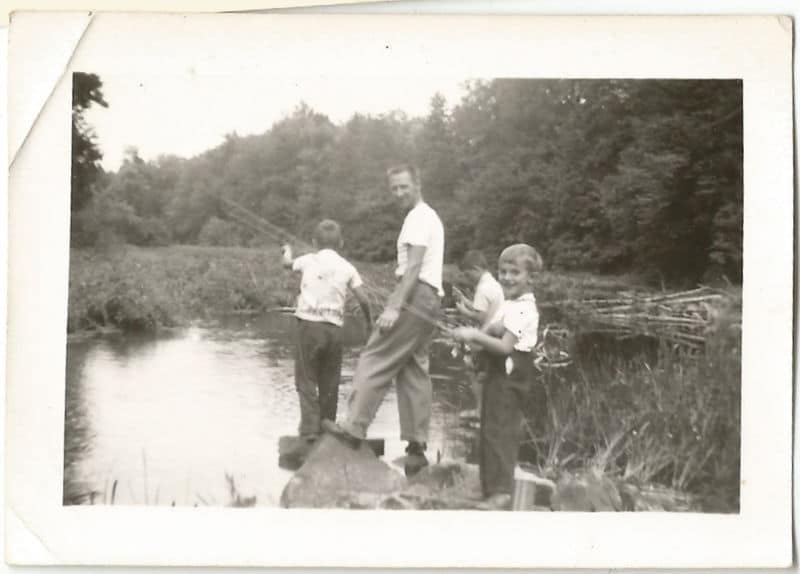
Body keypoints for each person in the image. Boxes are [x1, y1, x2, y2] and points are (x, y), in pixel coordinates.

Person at [323, 164, 444, 477]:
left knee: (374, 357)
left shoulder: (418, 217)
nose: (399, 193)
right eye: (394, 189)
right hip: (431, 299)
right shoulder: (430, 216)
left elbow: (414, 266)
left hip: (415, 294)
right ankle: (416, 450)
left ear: (418, 182)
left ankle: (353, 429)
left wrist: (393, 306)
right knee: (414, 368)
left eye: (404, 186)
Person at [452, 243, 543, 510]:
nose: (507, 277)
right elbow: (493, 330)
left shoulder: (524, 308)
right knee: (490, 428)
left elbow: (505, 347)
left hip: (511, 376)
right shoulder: (510, 304)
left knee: (501, 431)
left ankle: (501, 492)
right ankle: (490, 488)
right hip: (498, 374)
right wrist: (471, 340)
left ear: (531, 278)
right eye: (503, 271)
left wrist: (474, 335)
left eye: (515, 272)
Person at [282, 219, 372, 444]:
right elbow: (363, 298)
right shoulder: (347, 267)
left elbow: (286, 264)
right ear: (341, 243)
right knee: (330, 380)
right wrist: (369, 323)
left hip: (308, 327)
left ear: (314, 242)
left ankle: (310, 429)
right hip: (334, 330)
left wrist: (287, 250)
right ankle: (326, 423)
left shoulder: (307, 260)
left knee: (306, 378)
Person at [454, 250, 505, 417]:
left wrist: (463, 310)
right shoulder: (494, 284)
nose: (468, 279)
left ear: (476, 268)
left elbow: (480, 316)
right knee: (488, 373)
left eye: (469, 275)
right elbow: (482, 308)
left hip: (487, 336)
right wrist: (465, 300)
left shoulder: (482, 288)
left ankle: (480, 410)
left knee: (474, 371)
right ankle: (488, 410)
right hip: (498, 334)